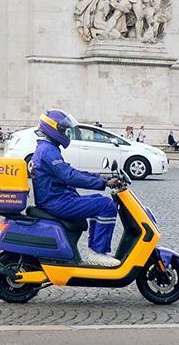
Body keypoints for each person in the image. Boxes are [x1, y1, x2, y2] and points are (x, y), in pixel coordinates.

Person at [31, 109, 122, 267]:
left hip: (58, 198)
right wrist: (103, 183)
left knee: (98, 200)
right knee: (106, 206)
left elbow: (69, 171)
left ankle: (96, 250)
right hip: (56, 202)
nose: (66, 134)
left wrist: (100, 177)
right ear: (53, 129)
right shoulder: (47, 151)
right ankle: (97, 252)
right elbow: (69, 176)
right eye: (64, 130)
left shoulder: (48, 148)